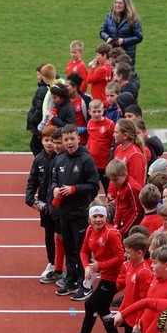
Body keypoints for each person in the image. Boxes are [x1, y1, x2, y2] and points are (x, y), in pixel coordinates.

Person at [64, 205, 125, 333]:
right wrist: (87, 267)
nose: (98, 219)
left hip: (114, 278)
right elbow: (84, 251)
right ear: (89, 219)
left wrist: (99, 266)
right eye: (95, 217)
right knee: (102, 308)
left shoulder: (111, 234)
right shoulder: (90, 230)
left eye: (101, 216)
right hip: (105, 275)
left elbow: (120, 257)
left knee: (91, 304)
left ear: (106, 217)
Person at [50, 124, 100, 298]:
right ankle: (71, 280)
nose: (69, 142)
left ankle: (85, 284)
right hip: (65, 212)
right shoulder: (60, 160)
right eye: (66, 139)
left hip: (80, 213)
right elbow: (54, 180)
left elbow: (94, 186)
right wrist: (55, 189)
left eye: (72, 138)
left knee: (82, 250)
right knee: (69, 248)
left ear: (79, 139)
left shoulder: (86, 160)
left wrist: (74, 189)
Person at [25, 126, 58, 281]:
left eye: (52, 140)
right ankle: (52, 263)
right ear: (42, 141)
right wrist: (30, 199)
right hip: (45, 205)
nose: (49, 143)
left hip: (59, 205)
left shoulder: (61, 158)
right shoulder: (38, 159)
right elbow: (32, 181)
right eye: (46, 140)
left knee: (64, 236)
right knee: (49, 235)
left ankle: (69, 266)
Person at [100, 0, 143, 70]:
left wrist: (123, 41)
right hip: (112, 54)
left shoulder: (133, 18)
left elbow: (139, 37)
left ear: (126, 4)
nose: (117, 5)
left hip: (127, 55)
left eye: (120, 3)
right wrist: (108, 38)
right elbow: (102, 31)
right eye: (116, 2)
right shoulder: (109, 16)